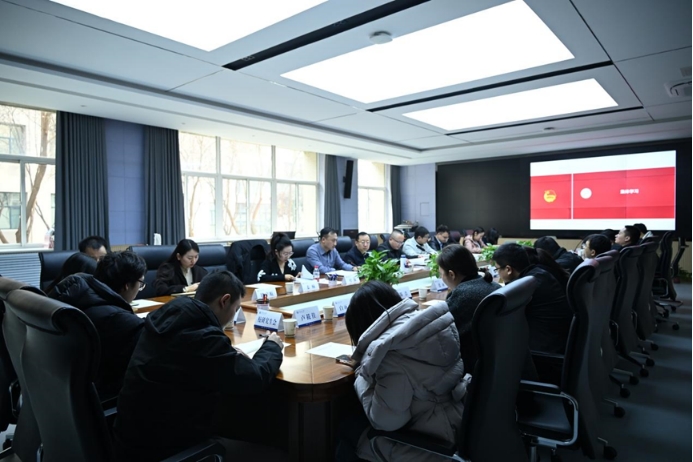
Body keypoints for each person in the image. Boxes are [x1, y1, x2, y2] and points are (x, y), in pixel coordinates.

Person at [113, 271, 284, 462]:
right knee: (279, 455)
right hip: (166, 449)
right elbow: (254, 377)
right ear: (224, 301)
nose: (233, 315)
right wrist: (272, 346)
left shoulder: (170, 316)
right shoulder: (202, 337)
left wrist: (227, 354)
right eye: (236, 309)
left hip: (132, 439)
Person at [338, 281, 468, 461]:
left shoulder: (389, 354)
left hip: (430, 444)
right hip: (460, 424)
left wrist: (361, 372)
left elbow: (386, 421)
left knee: (345, 427)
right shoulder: (435, 326)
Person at [49, 251, 147, 400]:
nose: (139, 289)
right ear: (127, 285)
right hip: (105, 399)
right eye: (141, 284)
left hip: (59, 395)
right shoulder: (124, 323)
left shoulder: (76, 298)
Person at [492, 243, 573, 355]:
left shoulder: (524, 287)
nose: (498, 273)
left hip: (545, 354)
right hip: (563, 344)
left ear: (508, 269)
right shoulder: (539, 273)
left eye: (497, 269)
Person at [438, 245, 501, 371]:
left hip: (472, 366)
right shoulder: (493, 285)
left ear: (451, 274)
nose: (441, 278)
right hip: (498, 361)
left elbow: (441, 334)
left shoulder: (462, 295)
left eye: (441, 274)